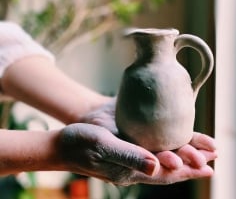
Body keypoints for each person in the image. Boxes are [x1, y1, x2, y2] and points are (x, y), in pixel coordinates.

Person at [0, 21, 217, 186]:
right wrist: (58, 150)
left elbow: (4, 44)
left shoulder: (160, 73)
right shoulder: (134, 74)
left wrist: (90, 108)